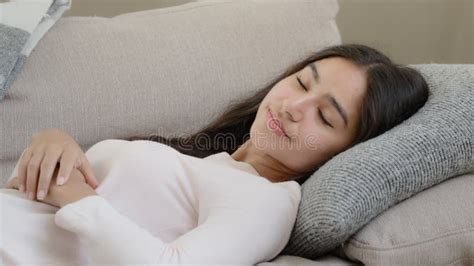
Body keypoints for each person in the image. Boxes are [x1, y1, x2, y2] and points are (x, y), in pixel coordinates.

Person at [1, 44, 429, 265]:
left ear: (346, 152)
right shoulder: (211, 162)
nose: (294, 108)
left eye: (325, 117)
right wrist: (51, 145)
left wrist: (73, 193)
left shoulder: (267, 201)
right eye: (302, 83)